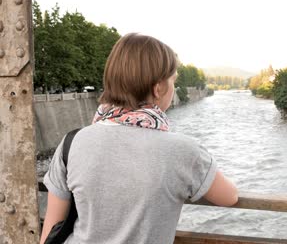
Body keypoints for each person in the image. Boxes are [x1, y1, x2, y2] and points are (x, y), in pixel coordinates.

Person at [40, 33, 238, 244]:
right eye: (173, 80)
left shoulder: (72, 142)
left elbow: (51, 230)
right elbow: (229, 196)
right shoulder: (184, 150)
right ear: (159, 87)